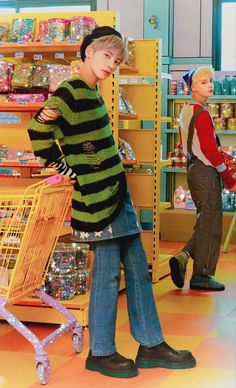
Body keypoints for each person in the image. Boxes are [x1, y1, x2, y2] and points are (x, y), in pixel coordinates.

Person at [28, 26, 196, 379]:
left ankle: (150, 343)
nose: (112, 64)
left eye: (117, 60)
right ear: (88, 51)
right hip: (96, 202)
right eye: (107, 56)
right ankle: (101, 351)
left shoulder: (92, 90)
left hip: (116, 195)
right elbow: (38, 131)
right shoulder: (70, 91)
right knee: (106, 275)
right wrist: (67, 169)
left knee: (137, 269)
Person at [169, 66, 236, 292]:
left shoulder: (185, 110)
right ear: (193, 86)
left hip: (192, 169)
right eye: (204, 81)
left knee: (205, 219)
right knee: (212, 221)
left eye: (211, 81)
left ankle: (184, 255)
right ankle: (202, 274)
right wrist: (227, 176)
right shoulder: (203, 113)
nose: (210, 85)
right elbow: (209, 149)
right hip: (206, 171)